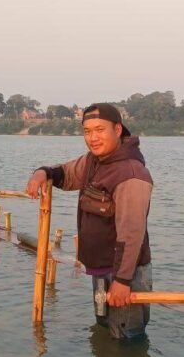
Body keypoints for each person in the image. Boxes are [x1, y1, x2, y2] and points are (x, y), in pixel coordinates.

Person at [26, 102, 153, 340]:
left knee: (127, 339)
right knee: (105, 332)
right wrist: (42, 173)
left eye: (99, 130)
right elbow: (65, 173)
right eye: (87, 131)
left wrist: (123, 281)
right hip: (101, 272)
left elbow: (132, 234)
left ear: (117, 130)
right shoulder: (93, 162)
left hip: (126, 275)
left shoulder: (131, 174)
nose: (92, 138)